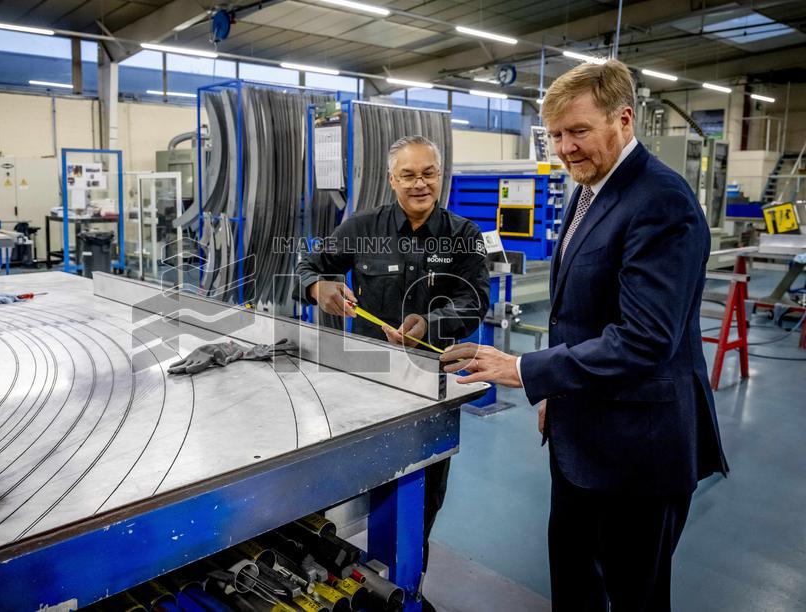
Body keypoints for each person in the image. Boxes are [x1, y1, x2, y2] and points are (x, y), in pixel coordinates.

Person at [440, 60, 728, 611]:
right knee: (574, 585)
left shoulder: (661, 202)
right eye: (554, 135)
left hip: (639, 447)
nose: (565, 148)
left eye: (578, 131)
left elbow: (645, 338)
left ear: (623, 119)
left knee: (632, 595)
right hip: (583, 433)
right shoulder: (587, 189)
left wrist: (526, 370)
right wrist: (557, 390)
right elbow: (579, 314)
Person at [296, 134, 490, 610]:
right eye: (408, 174)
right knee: (332, 489)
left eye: (428, 173)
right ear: (391, 179)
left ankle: (407, 589)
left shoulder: (465, 235)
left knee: (418, 501)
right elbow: (309, 263)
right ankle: (327, 581)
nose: (419, 183)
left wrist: (432, 321)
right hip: (359, 384)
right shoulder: (361, 228)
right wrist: (317, 287)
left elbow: (476, 301)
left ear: (440, 176)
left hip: (429, 387)